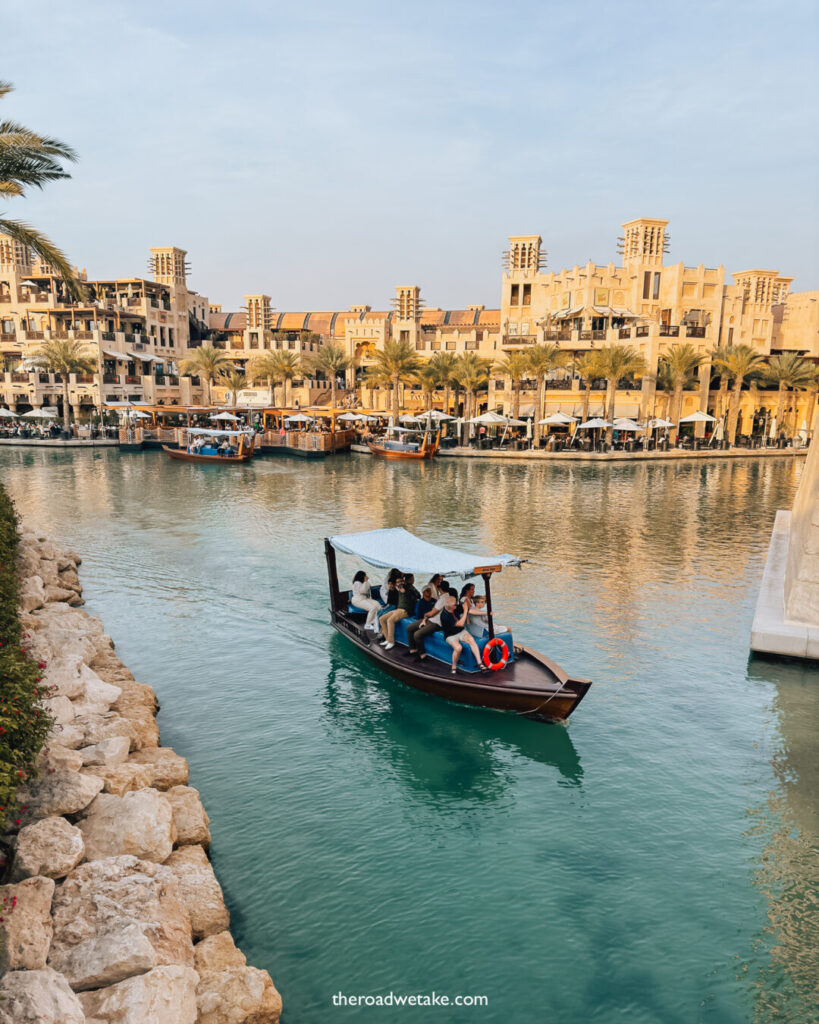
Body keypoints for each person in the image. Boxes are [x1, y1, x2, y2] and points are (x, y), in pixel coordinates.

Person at [440, 594, 487, 675]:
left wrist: (467, 603)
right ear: (451, 607)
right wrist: (465, 611)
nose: (457, 605)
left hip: (461, 631)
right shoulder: (444, 615)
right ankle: (454, 666)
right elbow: (460, 623)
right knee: (458, 648)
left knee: (471, 640)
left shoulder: (456, 607)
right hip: (451, 635)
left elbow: (469, 608)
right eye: (455, 604)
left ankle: (480, 663)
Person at [407, 584, 456, 657]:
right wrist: (425, 619)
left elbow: (432, 613)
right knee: (409, 628)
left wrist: (425, 616)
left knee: (417, 634)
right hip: (431, 619)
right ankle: (413, 649)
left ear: (439, 589)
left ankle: (422, 654)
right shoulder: (442, 597)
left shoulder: (444, 598)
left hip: (437, 623)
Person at [379, 573, 420, 650]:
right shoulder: (397, 589)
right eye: (397, 582)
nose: (399, 583)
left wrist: (405, 592)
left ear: (404, 582)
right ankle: (387, 639)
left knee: (390, 620)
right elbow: (391, 598)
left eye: (401, 581)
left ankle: (391, 642)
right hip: (398, 609)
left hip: (405, 610)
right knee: (381, 619)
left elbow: (415, 597)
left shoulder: (408, 588)